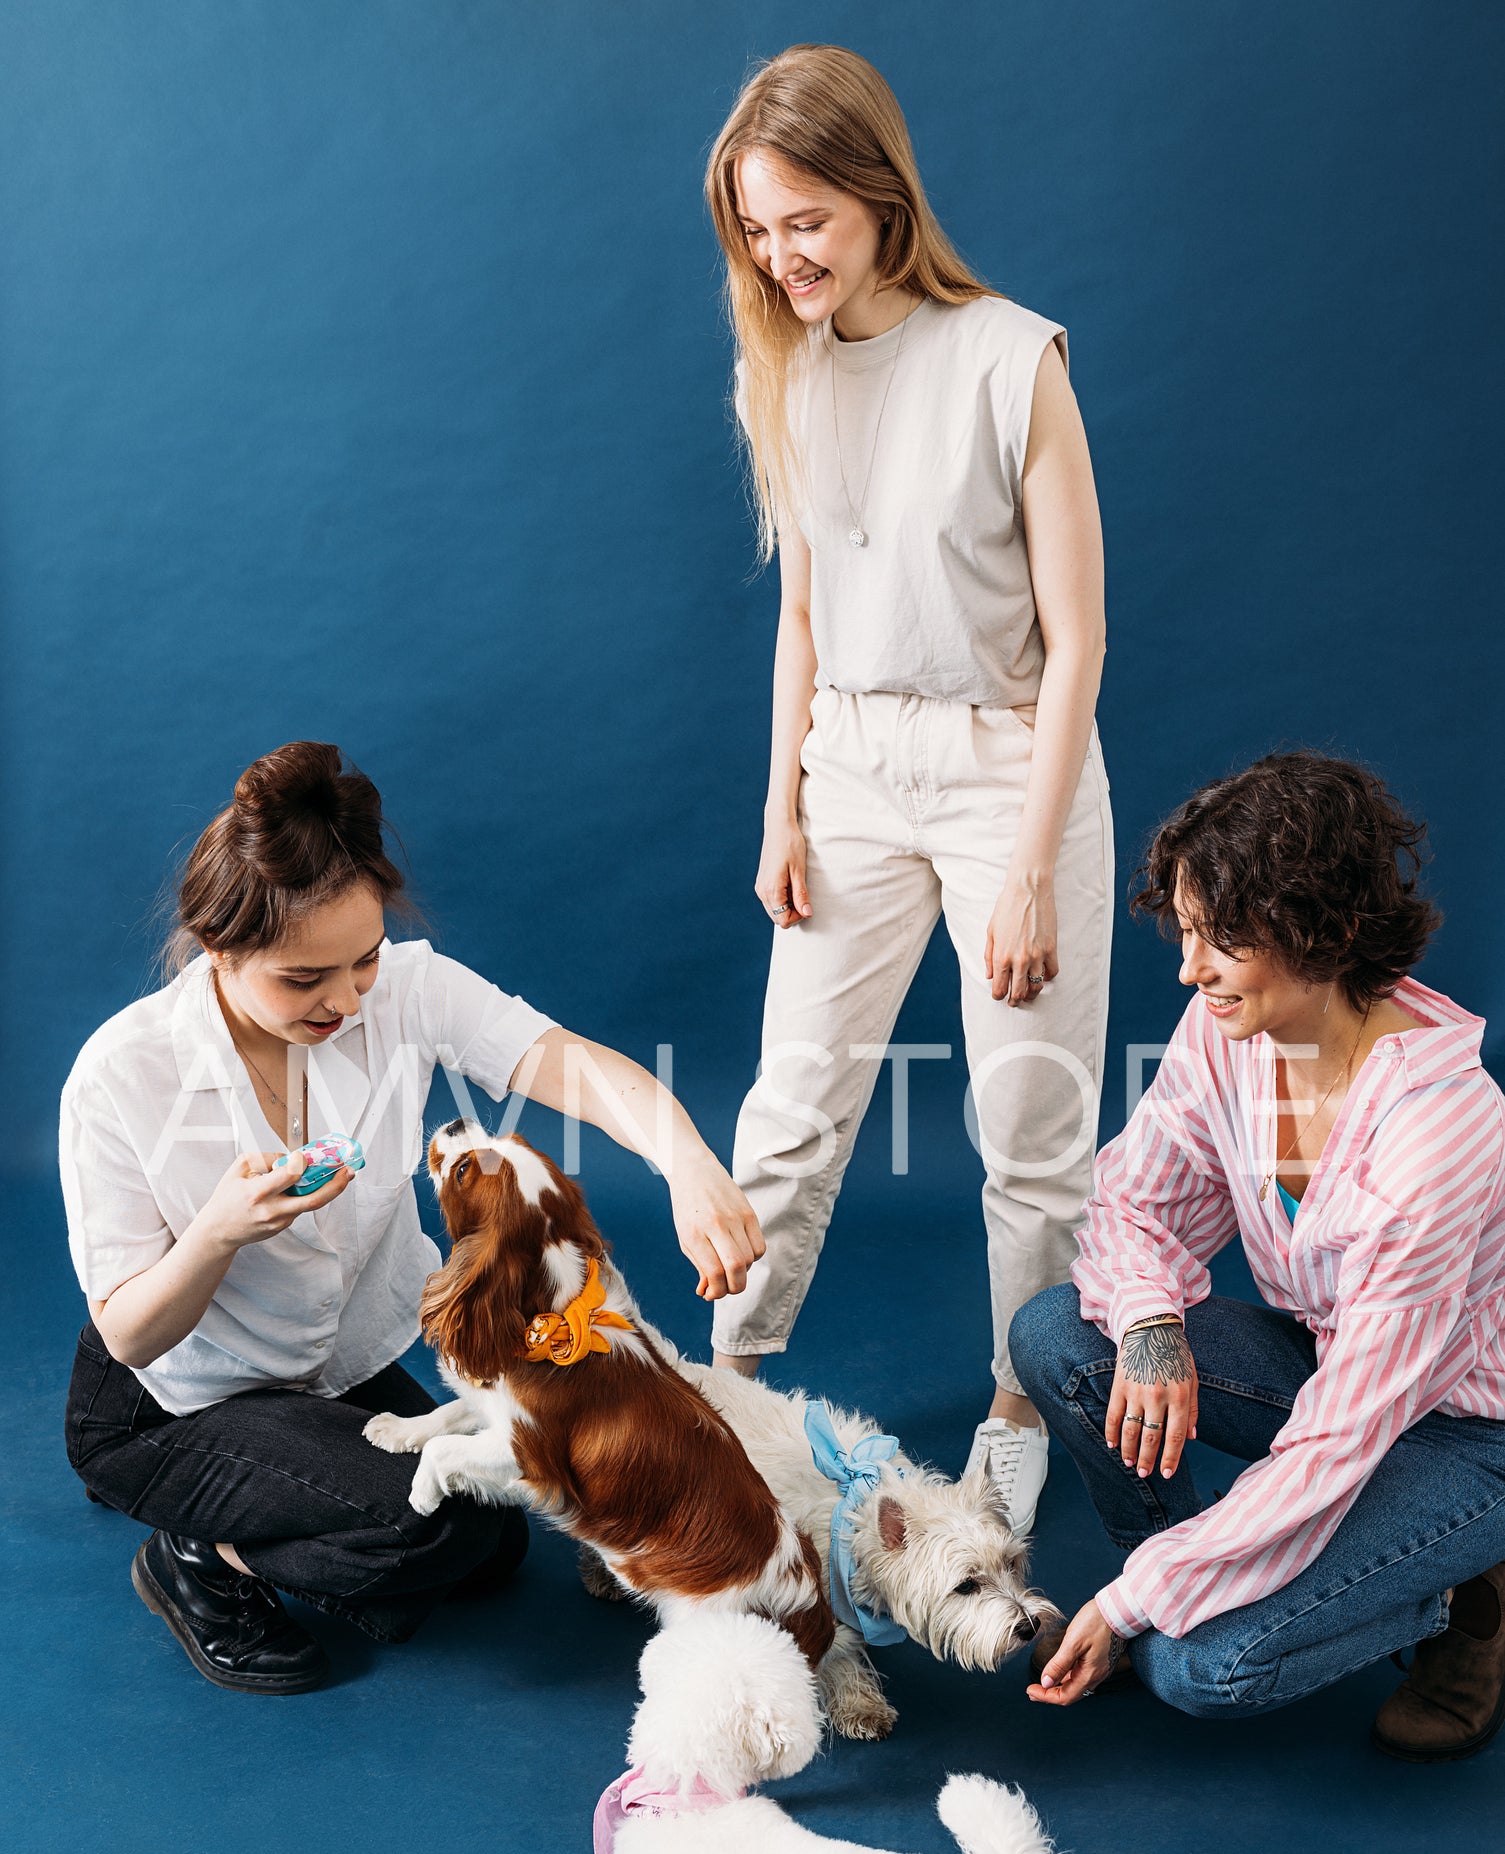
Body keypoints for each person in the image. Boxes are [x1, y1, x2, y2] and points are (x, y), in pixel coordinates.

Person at [60, 740, 763, 1695]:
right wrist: (218, 1232)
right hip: (168, 1393)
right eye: (303, 981)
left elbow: (573, 1063)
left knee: (494, 1541)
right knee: (423, 1524)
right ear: (220, 952)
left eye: (362, 962)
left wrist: (686, 1161)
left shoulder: (407, 990)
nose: (345, 1001)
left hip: (321, 1363)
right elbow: (134, 1331)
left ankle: (257, 1507)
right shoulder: (120, 1073)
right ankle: (195, 1556)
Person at [702, 45, 1114, 1537]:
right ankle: (731, 1389)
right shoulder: (790, 370)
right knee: (793, 1105)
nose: (781, 254)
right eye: (756, 227)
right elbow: (802, 615)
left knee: (1028, 1119)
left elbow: (1079, 639)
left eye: (804, 218)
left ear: (879, 196)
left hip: (1011, 760)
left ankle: (1020, 1405)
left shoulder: (1014, 359)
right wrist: (782, 808)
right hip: (849, 766)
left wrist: (1025, 862)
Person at [1010, 751, 1505, 1762]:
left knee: (1204, 1669)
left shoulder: (1440, 1133)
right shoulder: (1223, 1029)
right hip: (1339, 1375)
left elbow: (1334, 1445)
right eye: (1187, 931)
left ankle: (1466, 1597)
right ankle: (1164, 1583)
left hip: (1465, 1435)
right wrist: (1148, 1325)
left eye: (1220, 938)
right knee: (1060, 1335)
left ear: (1323, 930)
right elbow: (1132, 1200)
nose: (1188, 968)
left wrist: (1131, 1608)